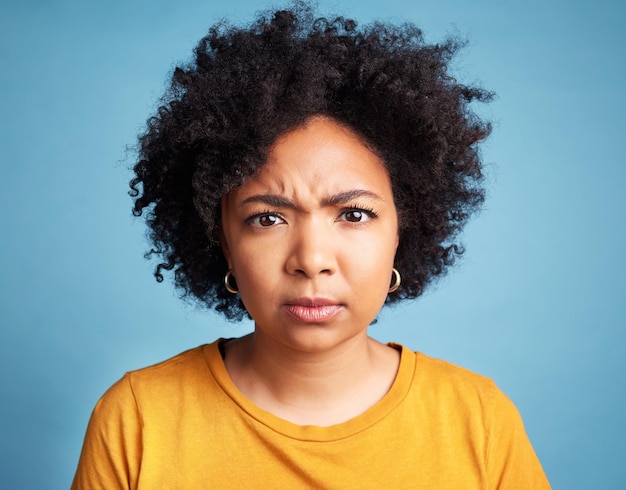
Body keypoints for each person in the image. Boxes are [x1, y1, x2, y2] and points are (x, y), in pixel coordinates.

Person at [72, 3, 550, 488]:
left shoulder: (479, 419)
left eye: (354, 214)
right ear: (223, 242)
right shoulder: (138, 418)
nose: (312, 261)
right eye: (267, 218)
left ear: (403, 231)